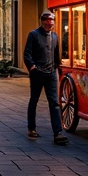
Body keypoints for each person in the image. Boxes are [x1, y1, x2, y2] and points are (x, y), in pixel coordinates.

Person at [23, 10, 68, 145]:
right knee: (34, 100)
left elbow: (56, 55)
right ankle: (31, 128)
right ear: (42, 21)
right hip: (38, 73)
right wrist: (32, 68)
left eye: (52, 20)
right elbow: (27, 54)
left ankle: (58, 132)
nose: (50, 22)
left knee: (54, 103)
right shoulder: (34, 35)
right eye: (47, 20)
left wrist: (59, 68)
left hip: (51, 74)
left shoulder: (54, 36)